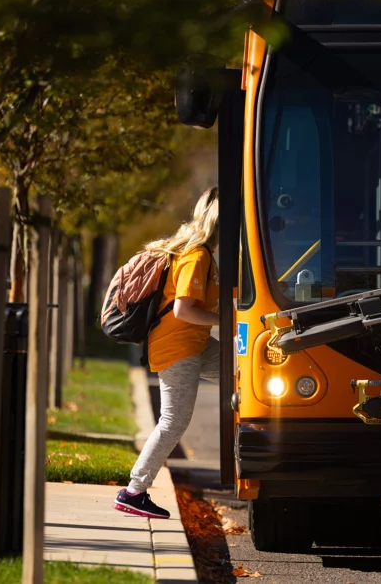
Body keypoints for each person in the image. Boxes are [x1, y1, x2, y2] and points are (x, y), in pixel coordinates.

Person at [114, 186, 220, 519]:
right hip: (179, 346)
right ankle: (134, 491)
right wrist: (228, 321)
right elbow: (183, 310)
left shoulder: (199, 253)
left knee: (245, 371)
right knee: (173, 422)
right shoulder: (197, 256)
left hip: (194, 344)